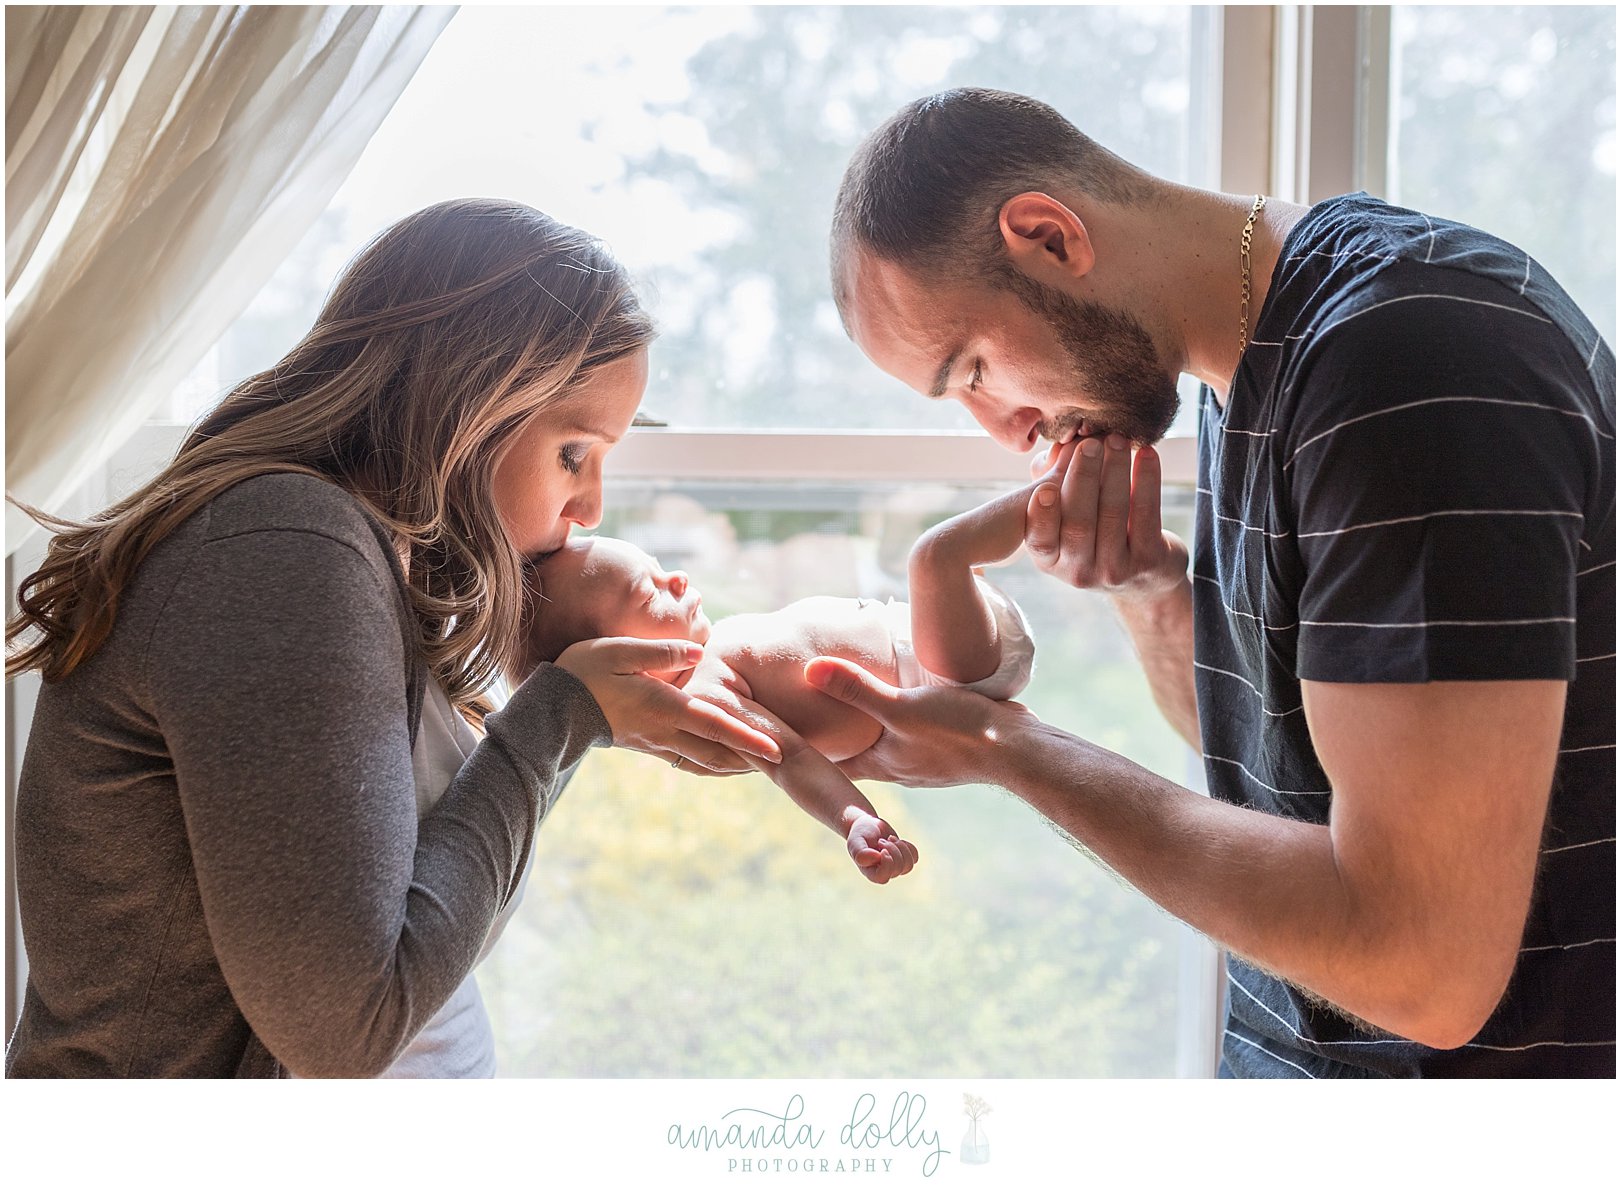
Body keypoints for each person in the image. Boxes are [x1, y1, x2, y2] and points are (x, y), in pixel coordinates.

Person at [818, 88, 1614, 1076]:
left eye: (975, 368)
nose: (1006, 428)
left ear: (1049, 238)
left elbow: (1422, 969)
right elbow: (1290, 767)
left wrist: (1004, 749)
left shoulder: (1408, 361)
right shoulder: (1254, 369)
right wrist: (1149, 589)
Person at [3, 198, 784, 1078]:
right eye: (574, 454)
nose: (591, 508)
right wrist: (562, 717)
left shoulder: (347, 557)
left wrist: (576, 716)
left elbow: (419, 939)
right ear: (469, 402)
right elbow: (348, 1027)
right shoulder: (283, 545)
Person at [516, 459, 1050, 883]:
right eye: (647, 590)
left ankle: (1062, 501)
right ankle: (1060, 491)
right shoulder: (702, 698)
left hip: (929, 630)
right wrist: (856, 821)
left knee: (939, 560)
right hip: (937, 671)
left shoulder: (711, 654)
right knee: (935, 557)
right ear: (618, 659)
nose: (675, 579)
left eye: (659, 567)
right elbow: (789, 759)